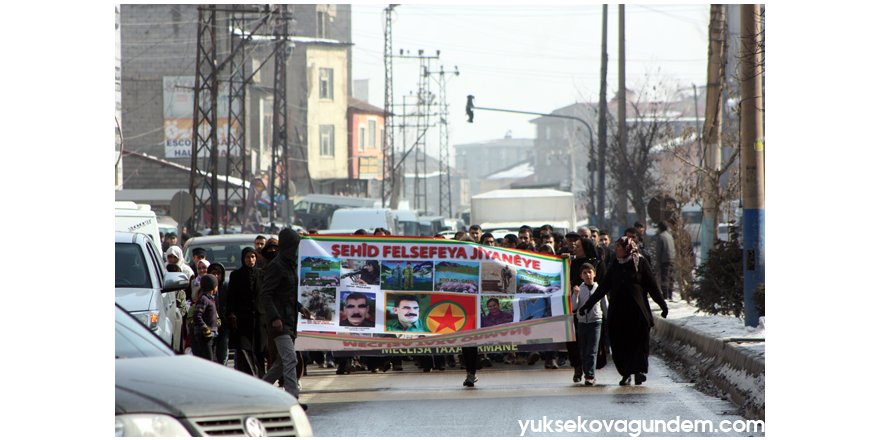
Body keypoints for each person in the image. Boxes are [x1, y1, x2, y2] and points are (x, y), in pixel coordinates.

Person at [578, 236, 669, 386]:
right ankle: (626, 373)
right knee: (620, 343)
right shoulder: (615, 264)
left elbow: (652, 286)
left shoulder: (640, 263)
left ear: (627, 248)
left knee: (638, 343)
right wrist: (588, 305)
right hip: (619, 313)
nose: (616, 249)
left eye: (619, 247)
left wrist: (663, 305)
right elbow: (603, 287)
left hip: (637, 312)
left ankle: (639, 371)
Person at [260, 228, 311, 405]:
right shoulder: (276, 265)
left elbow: (286, 294)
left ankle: (258, 391)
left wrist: (300, 308)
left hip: (289, 320)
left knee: (281, 363)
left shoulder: (288, 264)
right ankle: (292, 400)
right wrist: (274, 318)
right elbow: (266, 294)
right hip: (279, 323)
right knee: (291, 359)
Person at [227, 246, 265, 377]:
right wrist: (231, 314)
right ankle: (249, 375)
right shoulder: (236, 275)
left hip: (259, 318)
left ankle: (261, 376)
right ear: (243, 259)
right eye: (248, 257)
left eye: (253, 256)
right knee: (244, 348)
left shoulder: (261, 274)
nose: (251, 259)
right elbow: (231, 296)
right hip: (242, 318)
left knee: (259, 349)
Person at [572, 264, 607, 386]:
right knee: (584, 350)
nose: (587, 275)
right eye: (585, 273)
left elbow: (605, 306)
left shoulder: (600, 288)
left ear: (594, 274)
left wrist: (608, 319)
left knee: (592, 350)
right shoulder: (579, 289)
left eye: (589, 272)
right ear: (581, 276)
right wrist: (575, 295)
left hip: (596, 322)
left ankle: (590, 375)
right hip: (582, 323)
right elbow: (574, 307)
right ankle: (585, 371)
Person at [192, 273, 219, 361]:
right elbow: (197, 315)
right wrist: (205, 328)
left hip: (211, 334)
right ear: (213, 287)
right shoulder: (204, 299)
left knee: (213, 359)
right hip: (205, 336)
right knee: (208, 360)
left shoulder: (210, 299)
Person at [207, 262, 229, 365]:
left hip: (224, 325)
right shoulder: (206, 289)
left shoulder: (226, 287)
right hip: (210, 325)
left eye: (218, 274)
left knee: (222, 352)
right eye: (213, 273)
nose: (216, 276)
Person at [653, 221, 676, 301]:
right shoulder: (670, 236)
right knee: (671, 278)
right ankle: (670, 295)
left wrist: (658, 262)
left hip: (664, 260)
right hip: (672, 259)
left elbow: (659, 251)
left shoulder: (660, 237)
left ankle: (665, 295)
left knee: (664, 278)